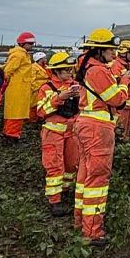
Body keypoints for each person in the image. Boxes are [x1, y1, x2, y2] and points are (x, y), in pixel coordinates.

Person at [72, 28, 129, 245]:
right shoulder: (98, 70)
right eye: (110, 50)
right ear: (99, 50)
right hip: (98, 128)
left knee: (84, 175)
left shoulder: (86, 67)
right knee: (97, 179)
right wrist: (123, 82)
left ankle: (80, 221)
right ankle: (93, 231)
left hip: (86, 125)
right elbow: (117, 100)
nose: (114, 54)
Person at [36, 52, 82, 216]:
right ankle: (54, 200)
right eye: (65, 71)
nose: (69, 74)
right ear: (56, 71)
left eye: (70, 70)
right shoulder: (46, 88)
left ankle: (66, 191)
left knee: (72, 164)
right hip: (53, 133)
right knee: (54, 166)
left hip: (72, 132)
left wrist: (79, 97)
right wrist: (58, 98)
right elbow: (41, 111)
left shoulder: (76, 85)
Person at [1, 32, 37, 144]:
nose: (32, 46)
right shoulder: (18, 55)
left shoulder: (23, 54)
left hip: (20, 88)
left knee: (17, 114)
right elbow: (7, 71)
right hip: (16, 89)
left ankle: (10, 135)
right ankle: (11, 137)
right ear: (23, 43)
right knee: (15, 114)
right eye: (30, 43)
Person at [28, 51, 49, 122]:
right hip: (36, 90)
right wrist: (38, 87)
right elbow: (31, 80)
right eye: (44, 58)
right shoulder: (33, 67)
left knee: (43, 103)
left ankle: (40, 117)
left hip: (45, 88)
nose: (46, 60)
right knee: (34, 105)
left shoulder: (46, 67)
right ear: (40, 59)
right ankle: (32, 119)